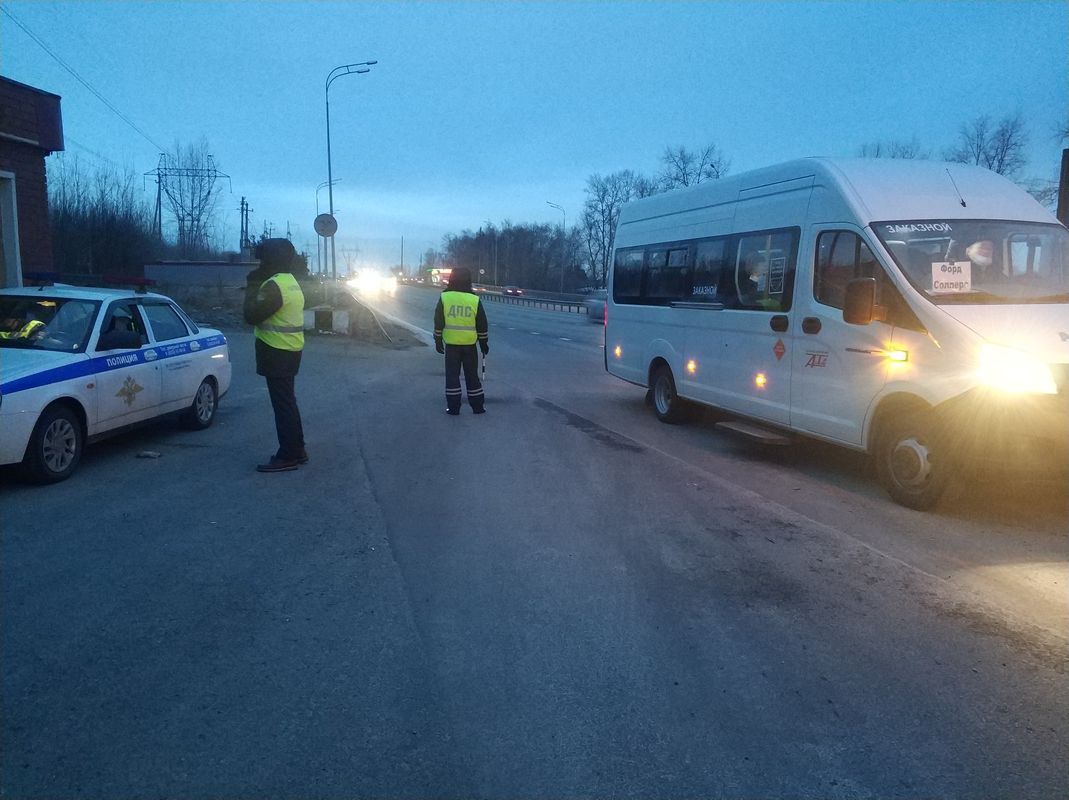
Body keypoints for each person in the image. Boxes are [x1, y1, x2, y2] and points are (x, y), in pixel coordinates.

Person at [243, 238, 308, 472]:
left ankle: (288, 454)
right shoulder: (289, 281)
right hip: (290, 350)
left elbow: (251, 315)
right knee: (288, 403)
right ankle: (297, 449)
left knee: (283, 405)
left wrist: (252, 286)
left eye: (263, 257)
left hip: (277, 351)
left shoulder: (272, 285)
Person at [433, 266, 489, 415]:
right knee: (472, 377)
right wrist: (484, 343)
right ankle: (478, 407)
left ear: (451, 279)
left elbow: (439, 321)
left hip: (451, 346)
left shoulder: (445, 297)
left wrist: (438, 339)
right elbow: (482, 324)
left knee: (452, 377)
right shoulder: (474, 299)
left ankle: (453, 408)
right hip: (470, 345)